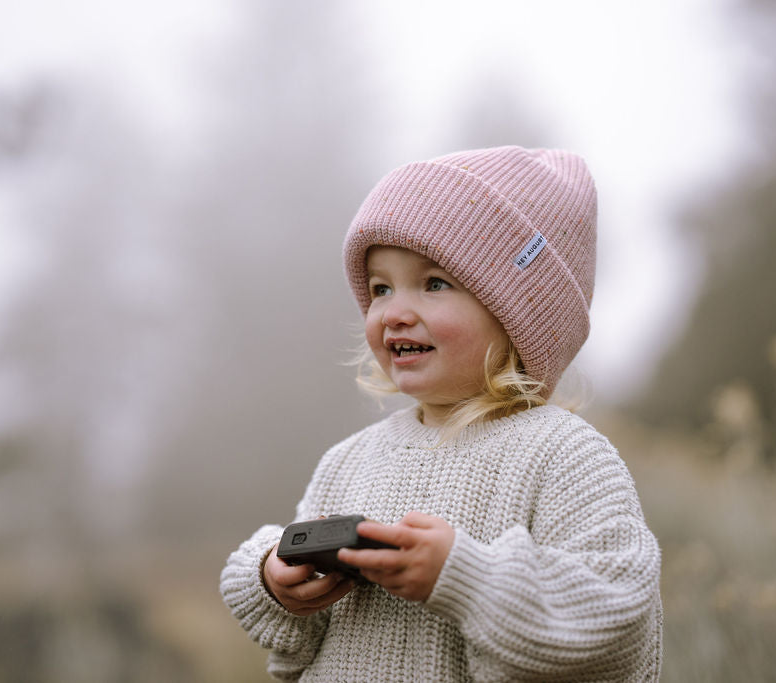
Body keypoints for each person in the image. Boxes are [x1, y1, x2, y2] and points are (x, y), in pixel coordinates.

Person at [221, 146, 663, 681]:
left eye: (434, 284)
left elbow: (615, 607)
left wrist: (465, 577)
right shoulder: (348, 462)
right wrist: (274, 582)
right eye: (380, 287)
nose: (394, 312)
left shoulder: (564, 455)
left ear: (516, 316)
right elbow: (297, 643)